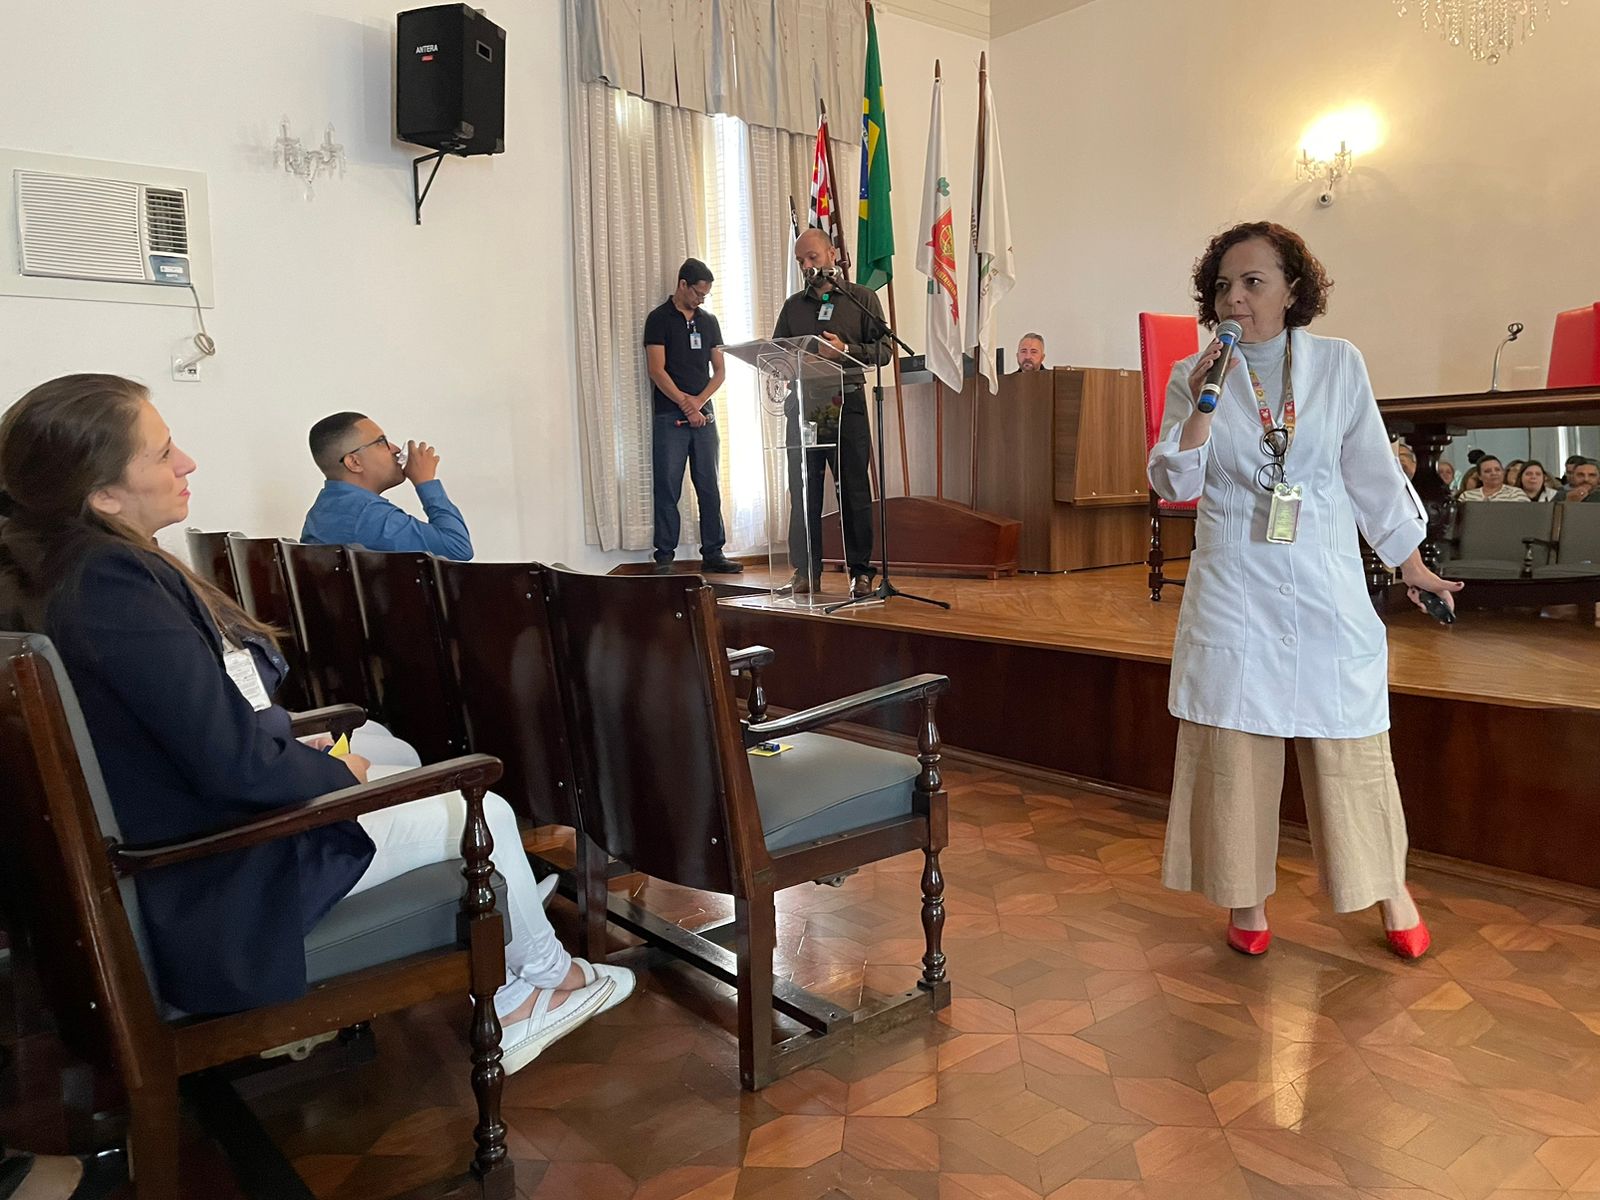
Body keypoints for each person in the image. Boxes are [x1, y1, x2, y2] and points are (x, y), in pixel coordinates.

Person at [0, 375, 632, 1075]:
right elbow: (234, 766)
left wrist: (289, 740)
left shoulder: (62, 569)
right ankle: (539, 985)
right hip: (219, 876)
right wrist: (334, 771)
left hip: (189, 837)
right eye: (162, 451)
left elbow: (184, 726)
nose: (187, 462)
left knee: (399, 758)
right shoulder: (112, 585)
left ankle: (516, 931)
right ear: (103, 495)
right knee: (482, 806)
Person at [1148, 221, 1461, 961]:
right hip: (1234, 587)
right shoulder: (1193, 374)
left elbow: (1370, 472)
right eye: (1223, 285)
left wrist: (1411, 564)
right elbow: (1173, 480)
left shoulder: (1337, 364)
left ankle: (1389, 889)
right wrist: (1201, 404)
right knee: (1234, 748)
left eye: (1253, 282)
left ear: (1292, 291)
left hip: (1325, 582)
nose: (1235, 297)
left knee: (1351, 744)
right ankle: (1245, 899)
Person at [772, 229, 890, 598]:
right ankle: (806, 571)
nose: (807, 266)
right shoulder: (793, 307)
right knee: (803, 491)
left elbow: (884, 350)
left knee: (853, 490)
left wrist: (846, 350)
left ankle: (861, 573)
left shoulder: (861, 299)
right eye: (801, 261)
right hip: (805, 408)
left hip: (845, 404)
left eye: (813, 257)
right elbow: (776, 353)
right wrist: (785, 364)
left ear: (832, 254)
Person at [643, 259, 742, 575]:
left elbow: (720, 370)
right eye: (697, 293)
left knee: (709, 485)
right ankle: (664, 557)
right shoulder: (659, 319)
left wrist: (699, 402)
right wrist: (686, 405)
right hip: (669, 415)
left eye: (705, 295)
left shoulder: (709, 321)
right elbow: (656, 369)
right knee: (667, 486)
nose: (701, 299)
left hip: (704, 415)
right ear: (682, 284)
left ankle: (714, 553)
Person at [301, 413, 473, 560]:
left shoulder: (321, 511)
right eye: (381, 442)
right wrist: (426, 482)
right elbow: (458, 548)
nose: (396, 449)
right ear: (354, 462)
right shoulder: (368, 515)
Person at [1457, 455, 1529, 503]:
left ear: (1503, 472)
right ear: (1480, 476)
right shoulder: (1466, 496)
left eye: (1497, 470)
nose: (1494, 473)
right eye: (1488, 471)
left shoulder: (1516, 493)